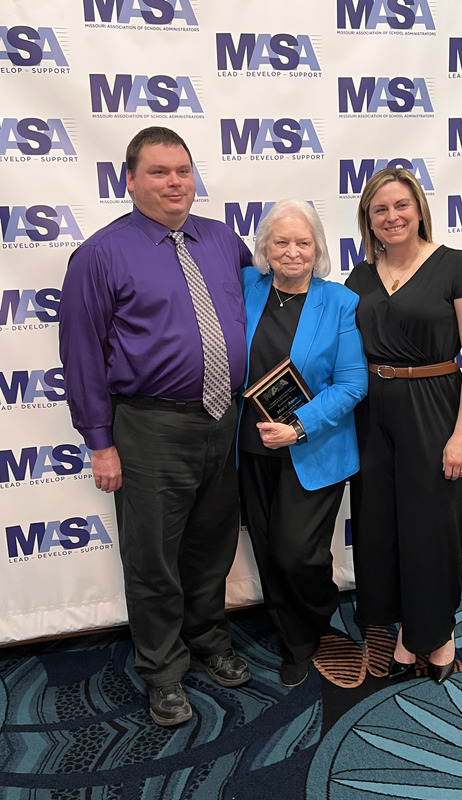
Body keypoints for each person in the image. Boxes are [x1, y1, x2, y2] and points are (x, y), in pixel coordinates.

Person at [59, 126, 253, 726]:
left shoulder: (223, 240)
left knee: (213, 545)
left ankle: (208, 639)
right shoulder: (100, 254)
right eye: (159, 172)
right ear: (130, 180)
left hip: (225, 421)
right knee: (153, 560)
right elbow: (83, 352)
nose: (175, 183)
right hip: (148, 427)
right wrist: (101, 442)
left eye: (183, 171)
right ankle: (163, 672)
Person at [346, 167, 462, 684]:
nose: (391, 217)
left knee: (431, 524)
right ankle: (404, 630)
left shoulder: (458, 267)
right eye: (380, 209)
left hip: (433, 403)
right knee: (380, 524)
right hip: (370, 408)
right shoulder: (360, 276)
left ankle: (436, 632)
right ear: (368, 217)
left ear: (419, 210)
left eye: (401, 206)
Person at [237, 199, 368, 688]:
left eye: (303, 243)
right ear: (265, 250)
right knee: (269, 550)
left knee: (299, 553)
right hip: (249, 446)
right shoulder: (246, 288)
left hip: (314, 446)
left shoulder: (339, 302)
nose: (292, 252)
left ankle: (317, 620)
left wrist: (298, 426)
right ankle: (294, 641)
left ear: (318, 250)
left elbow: (352, 384)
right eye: (281, 242)